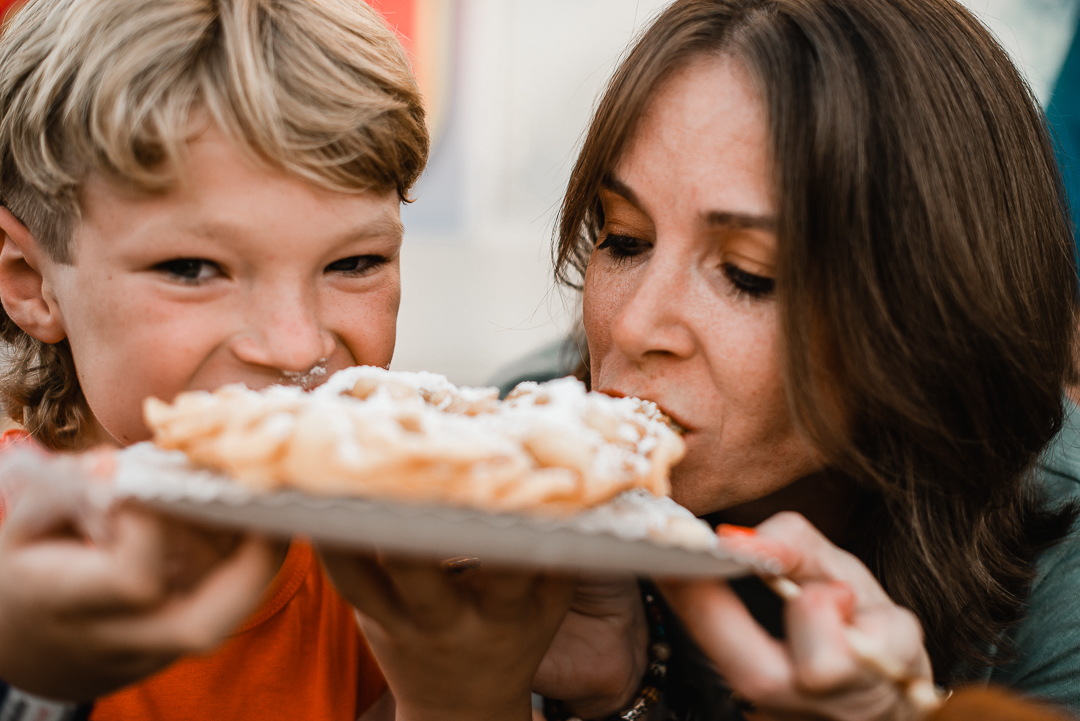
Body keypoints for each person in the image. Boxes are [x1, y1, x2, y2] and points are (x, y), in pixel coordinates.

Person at [325, 0, 1080, 719]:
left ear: (928, 308)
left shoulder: (1062, 559)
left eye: (748, 273)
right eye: (623, 239)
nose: (636, 325)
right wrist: (558, 698)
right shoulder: (521, 463)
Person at [0, 0, 425, 716]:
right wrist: (29, 680)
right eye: (193, 268)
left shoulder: (403, 563)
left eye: (354, 261)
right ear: (29, 281)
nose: (295, 347)